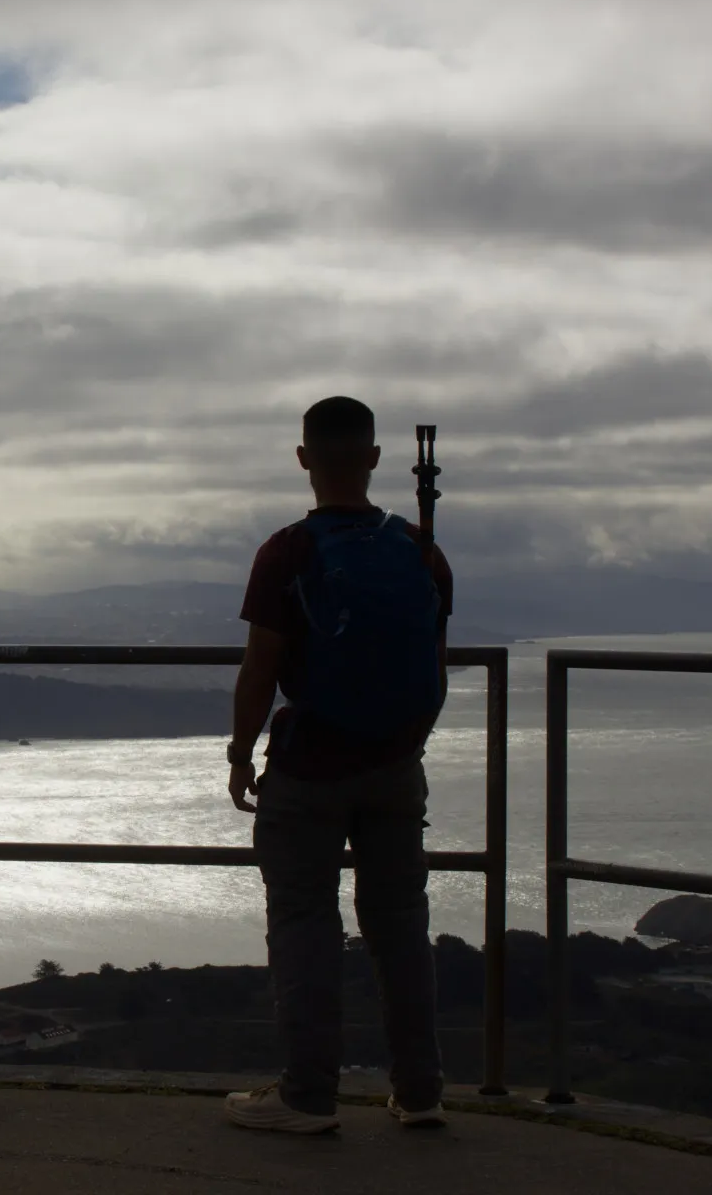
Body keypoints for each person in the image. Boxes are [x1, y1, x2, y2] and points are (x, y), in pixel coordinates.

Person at [220, 396, 454, 1135]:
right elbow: (429, 656)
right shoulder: (420, 548)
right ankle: (419, 1093)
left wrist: (239, 752)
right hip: (395, 766)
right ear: (377, 458)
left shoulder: (286, 551)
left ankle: (308, 1098)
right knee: (399, 928)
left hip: (311, 768)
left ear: (303, 459)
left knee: (304, 925)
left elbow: (263, 666)